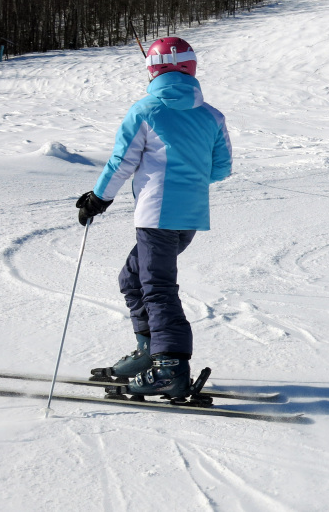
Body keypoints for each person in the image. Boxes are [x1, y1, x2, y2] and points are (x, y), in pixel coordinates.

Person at [75, 36, 232, 399]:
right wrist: (188, 177)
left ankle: (170, 368)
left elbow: (122, 161)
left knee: (157, 287)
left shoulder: (145, 110)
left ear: (151, 70)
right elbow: (221, 168)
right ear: (191, 68)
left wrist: (98, 198)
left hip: (156, 214)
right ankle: (150, 352)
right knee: (132, 278)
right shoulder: (211, 115)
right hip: (188, 217)